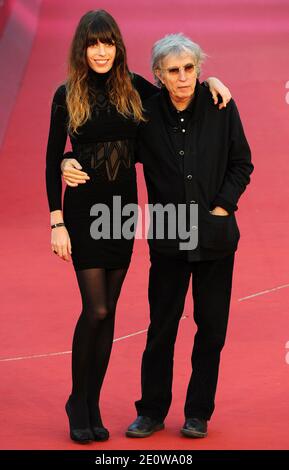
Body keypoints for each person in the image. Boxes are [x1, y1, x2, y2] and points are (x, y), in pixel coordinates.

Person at [46, 9, 232, 444]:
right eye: (93, 43)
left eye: (107, 42)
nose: (101, 51)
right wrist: (57, 213)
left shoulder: (134, 88)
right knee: (95, 310)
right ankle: (79, 401)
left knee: (108, 312)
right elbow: (52, 154)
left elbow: (178, 91)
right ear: (82, 48)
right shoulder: (66, 93)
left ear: (117, 47)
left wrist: (212, 83)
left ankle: (92, 404)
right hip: (84, 213)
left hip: (123, 214)